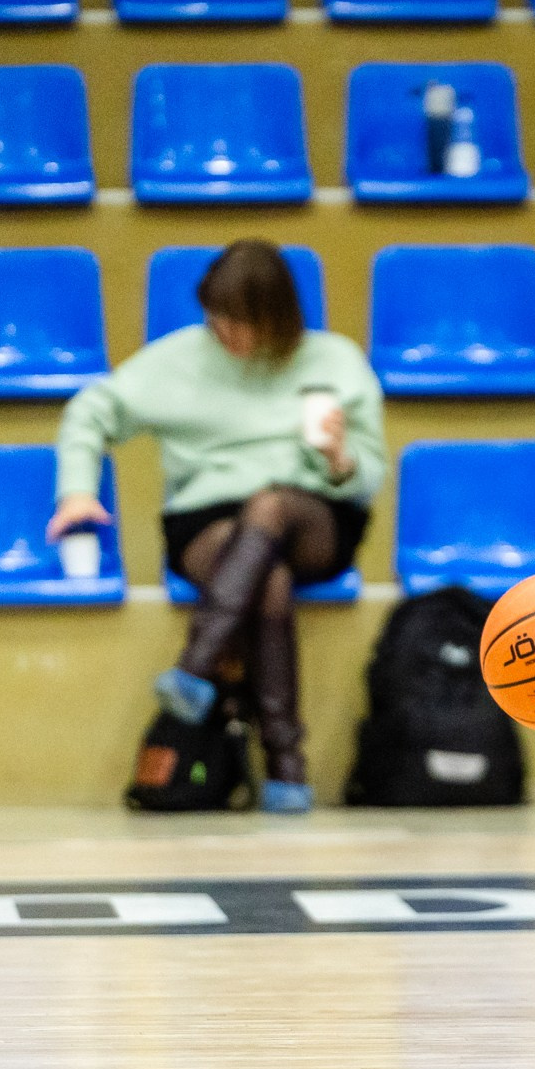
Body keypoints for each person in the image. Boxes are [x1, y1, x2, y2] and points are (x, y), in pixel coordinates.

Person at [48, 241, 386, 813]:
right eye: (216, 319)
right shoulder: (178, 357)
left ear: (278, 317)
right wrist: (77, 489)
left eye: (241, 321)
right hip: (207, 520)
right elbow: (91, 411)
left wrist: (337, 456)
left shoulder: (335, 360)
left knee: (271, 506)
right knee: (268, 578)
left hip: (314, 513)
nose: (225, 333)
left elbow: (367, 477)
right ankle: (286, 766)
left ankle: (195, 668)